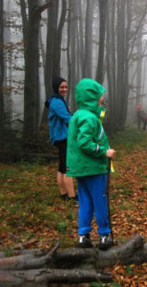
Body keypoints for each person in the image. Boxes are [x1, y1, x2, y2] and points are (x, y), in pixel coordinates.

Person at [67, 78, 116, 250]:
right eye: (98, 96)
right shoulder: (89, 118)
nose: (102, 99)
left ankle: (83, 235)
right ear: (90, 97)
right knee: (100, 201)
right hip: (94, 168)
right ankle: (104, 235)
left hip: (82, 169)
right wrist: (104, 152)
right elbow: (84, 142)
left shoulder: (79, 115)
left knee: (85, 201)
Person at [46, 76, 76, 201]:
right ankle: (72, 196)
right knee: (68, 167)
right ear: (56, 88)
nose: (64, 89)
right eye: (61, 87)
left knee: (62, 166)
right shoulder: (57, 102)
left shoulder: (57, 100)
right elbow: (67, 118)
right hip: (62, 137)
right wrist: (80, 120)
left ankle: (63, 194)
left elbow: (66, 116)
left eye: (65, 87)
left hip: (60, 136)